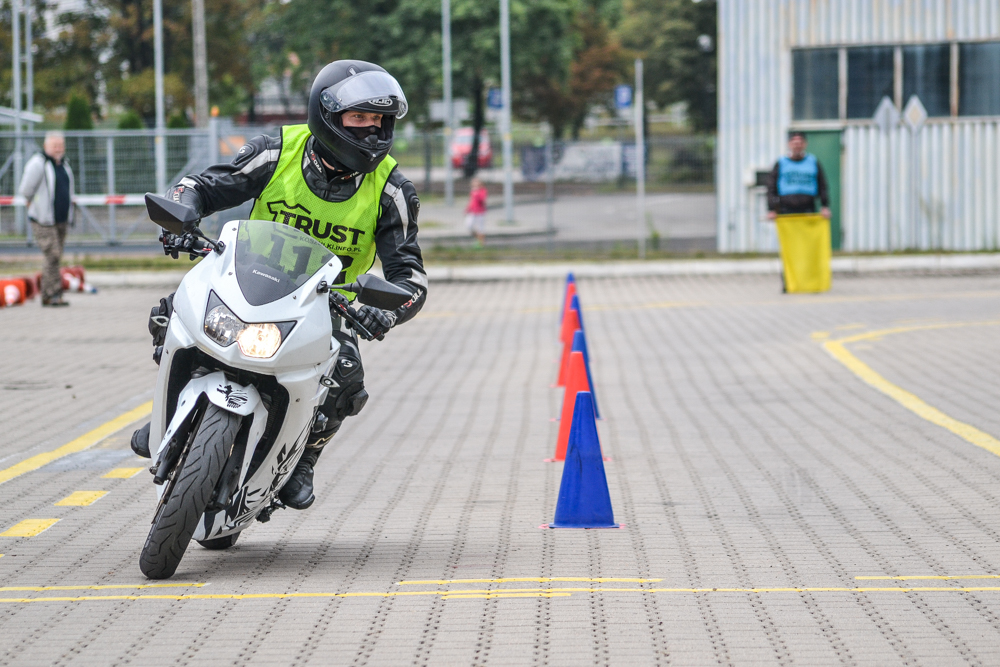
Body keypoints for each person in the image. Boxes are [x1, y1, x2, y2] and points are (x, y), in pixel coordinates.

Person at [133, 60, 427, 510]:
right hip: (242, 281)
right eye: (359, 117)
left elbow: (411, 277)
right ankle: (167, 415)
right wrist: (183, 216)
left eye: (378, 120)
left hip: (326, 305)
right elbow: (204, 186)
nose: (371, 130)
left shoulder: (391, 191)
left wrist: (384, 310)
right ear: (328, 116)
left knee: (347, 378)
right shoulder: (276, 153)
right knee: (172, 312)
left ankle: (304, 458)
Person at [19, 131, 75, 306]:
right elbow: (26, 190)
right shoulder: (38, 164)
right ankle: (50, 294)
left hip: (60, 219)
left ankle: (54, 293)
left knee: (56, 256)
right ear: (45, 146)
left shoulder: (64, 164)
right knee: (52, 255)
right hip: (43, 220)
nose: (58, 149)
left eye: (60, 145)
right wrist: (34, 206)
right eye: (54, 145)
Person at [766, 131, 830, 220]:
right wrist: (771, 209)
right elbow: (771, 186)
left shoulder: (813, 161)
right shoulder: (781, 162)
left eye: (800, 143)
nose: (797, 146)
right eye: (794, 143)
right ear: (789, 144)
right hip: (786, 209)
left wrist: (825, 206)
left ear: (805, 144)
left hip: (808, 209)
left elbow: (822, 185)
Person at [464, 178, 487, 247]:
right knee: (469, 225)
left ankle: (481, 244)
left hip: (480, 211)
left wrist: (477, 194)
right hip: (472, 211)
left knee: (480, 228)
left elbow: (482, 200)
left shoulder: (483, 191)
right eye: (474, 185)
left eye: (477, 185)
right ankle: (478, 238)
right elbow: (471, 200)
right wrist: (467, 208)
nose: (475, 187)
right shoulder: (472, 191)